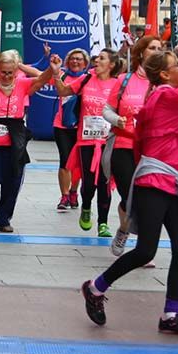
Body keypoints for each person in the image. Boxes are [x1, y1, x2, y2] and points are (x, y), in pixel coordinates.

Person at [81, 14, 178, 339]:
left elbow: (143, 139)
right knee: (146, 251)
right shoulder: (167, 95)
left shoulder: (161, 96)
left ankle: (171, 314)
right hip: (156, 179)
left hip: (167, 178)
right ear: (164, 74)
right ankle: (96, 287)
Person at [0, 50, 55, 232]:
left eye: (10, 72)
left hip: (14, 137)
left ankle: (4, 219)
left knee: (13, 180)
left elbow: (42, 80)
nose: (7, 76)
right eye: (3, 72)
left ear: (16, 72)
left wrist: (51, 69)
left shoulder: (22, 84)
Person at [100, 34, 162, 253]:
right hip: (123, 145)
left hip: (151, 150)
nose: (157, 51)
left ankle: (144, 245)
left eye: (160, 47)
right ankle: (125, 229)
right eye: (152, 47)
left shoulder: (163, 82)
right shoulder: (124, 80)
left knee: (148, 200)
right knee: (130, 196)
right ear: (141, 52)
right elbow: (106, 109)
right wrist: (116, 119)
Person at [52, 50, 120, 238]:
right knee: (89, 183)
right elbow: (63, 91)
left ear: (111, 65)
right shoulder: (86, 79)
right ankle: (87, 207)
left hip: (108, 141)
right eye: (97, 58)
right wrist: (56, 73)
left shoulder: (118, 84)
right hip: (86, 140)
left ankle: (103, 223)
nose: (97, 60)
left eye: (102, 58)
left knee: (105, 182)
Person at [51, 48, 88, 212]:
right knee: (65, 160)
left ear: (85, 63)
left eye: (79, 59)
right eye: (72, 59)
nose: (75, 61)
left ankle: (74, 191)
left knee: (78, 162)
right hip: (62, 125)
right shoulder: (62, 75)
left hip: (82, 127)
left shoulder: (89, 79)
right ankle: (64, 195)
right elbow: (37, 73)